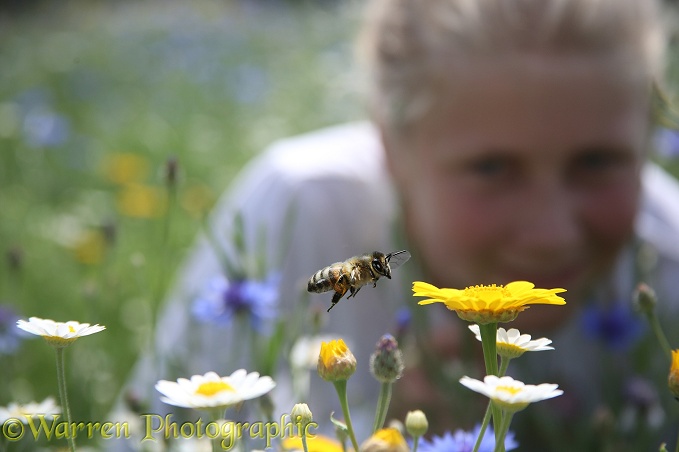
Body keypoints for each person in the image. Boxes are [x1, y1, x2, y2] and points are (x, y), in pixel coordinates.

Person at [117, 0, 679, 449]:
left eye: (597, 162)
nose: (552, 232)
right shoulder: (302, 215)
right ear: (390, 145)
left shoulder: (669, 255)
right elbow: (149, 437)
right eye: (492, 168)